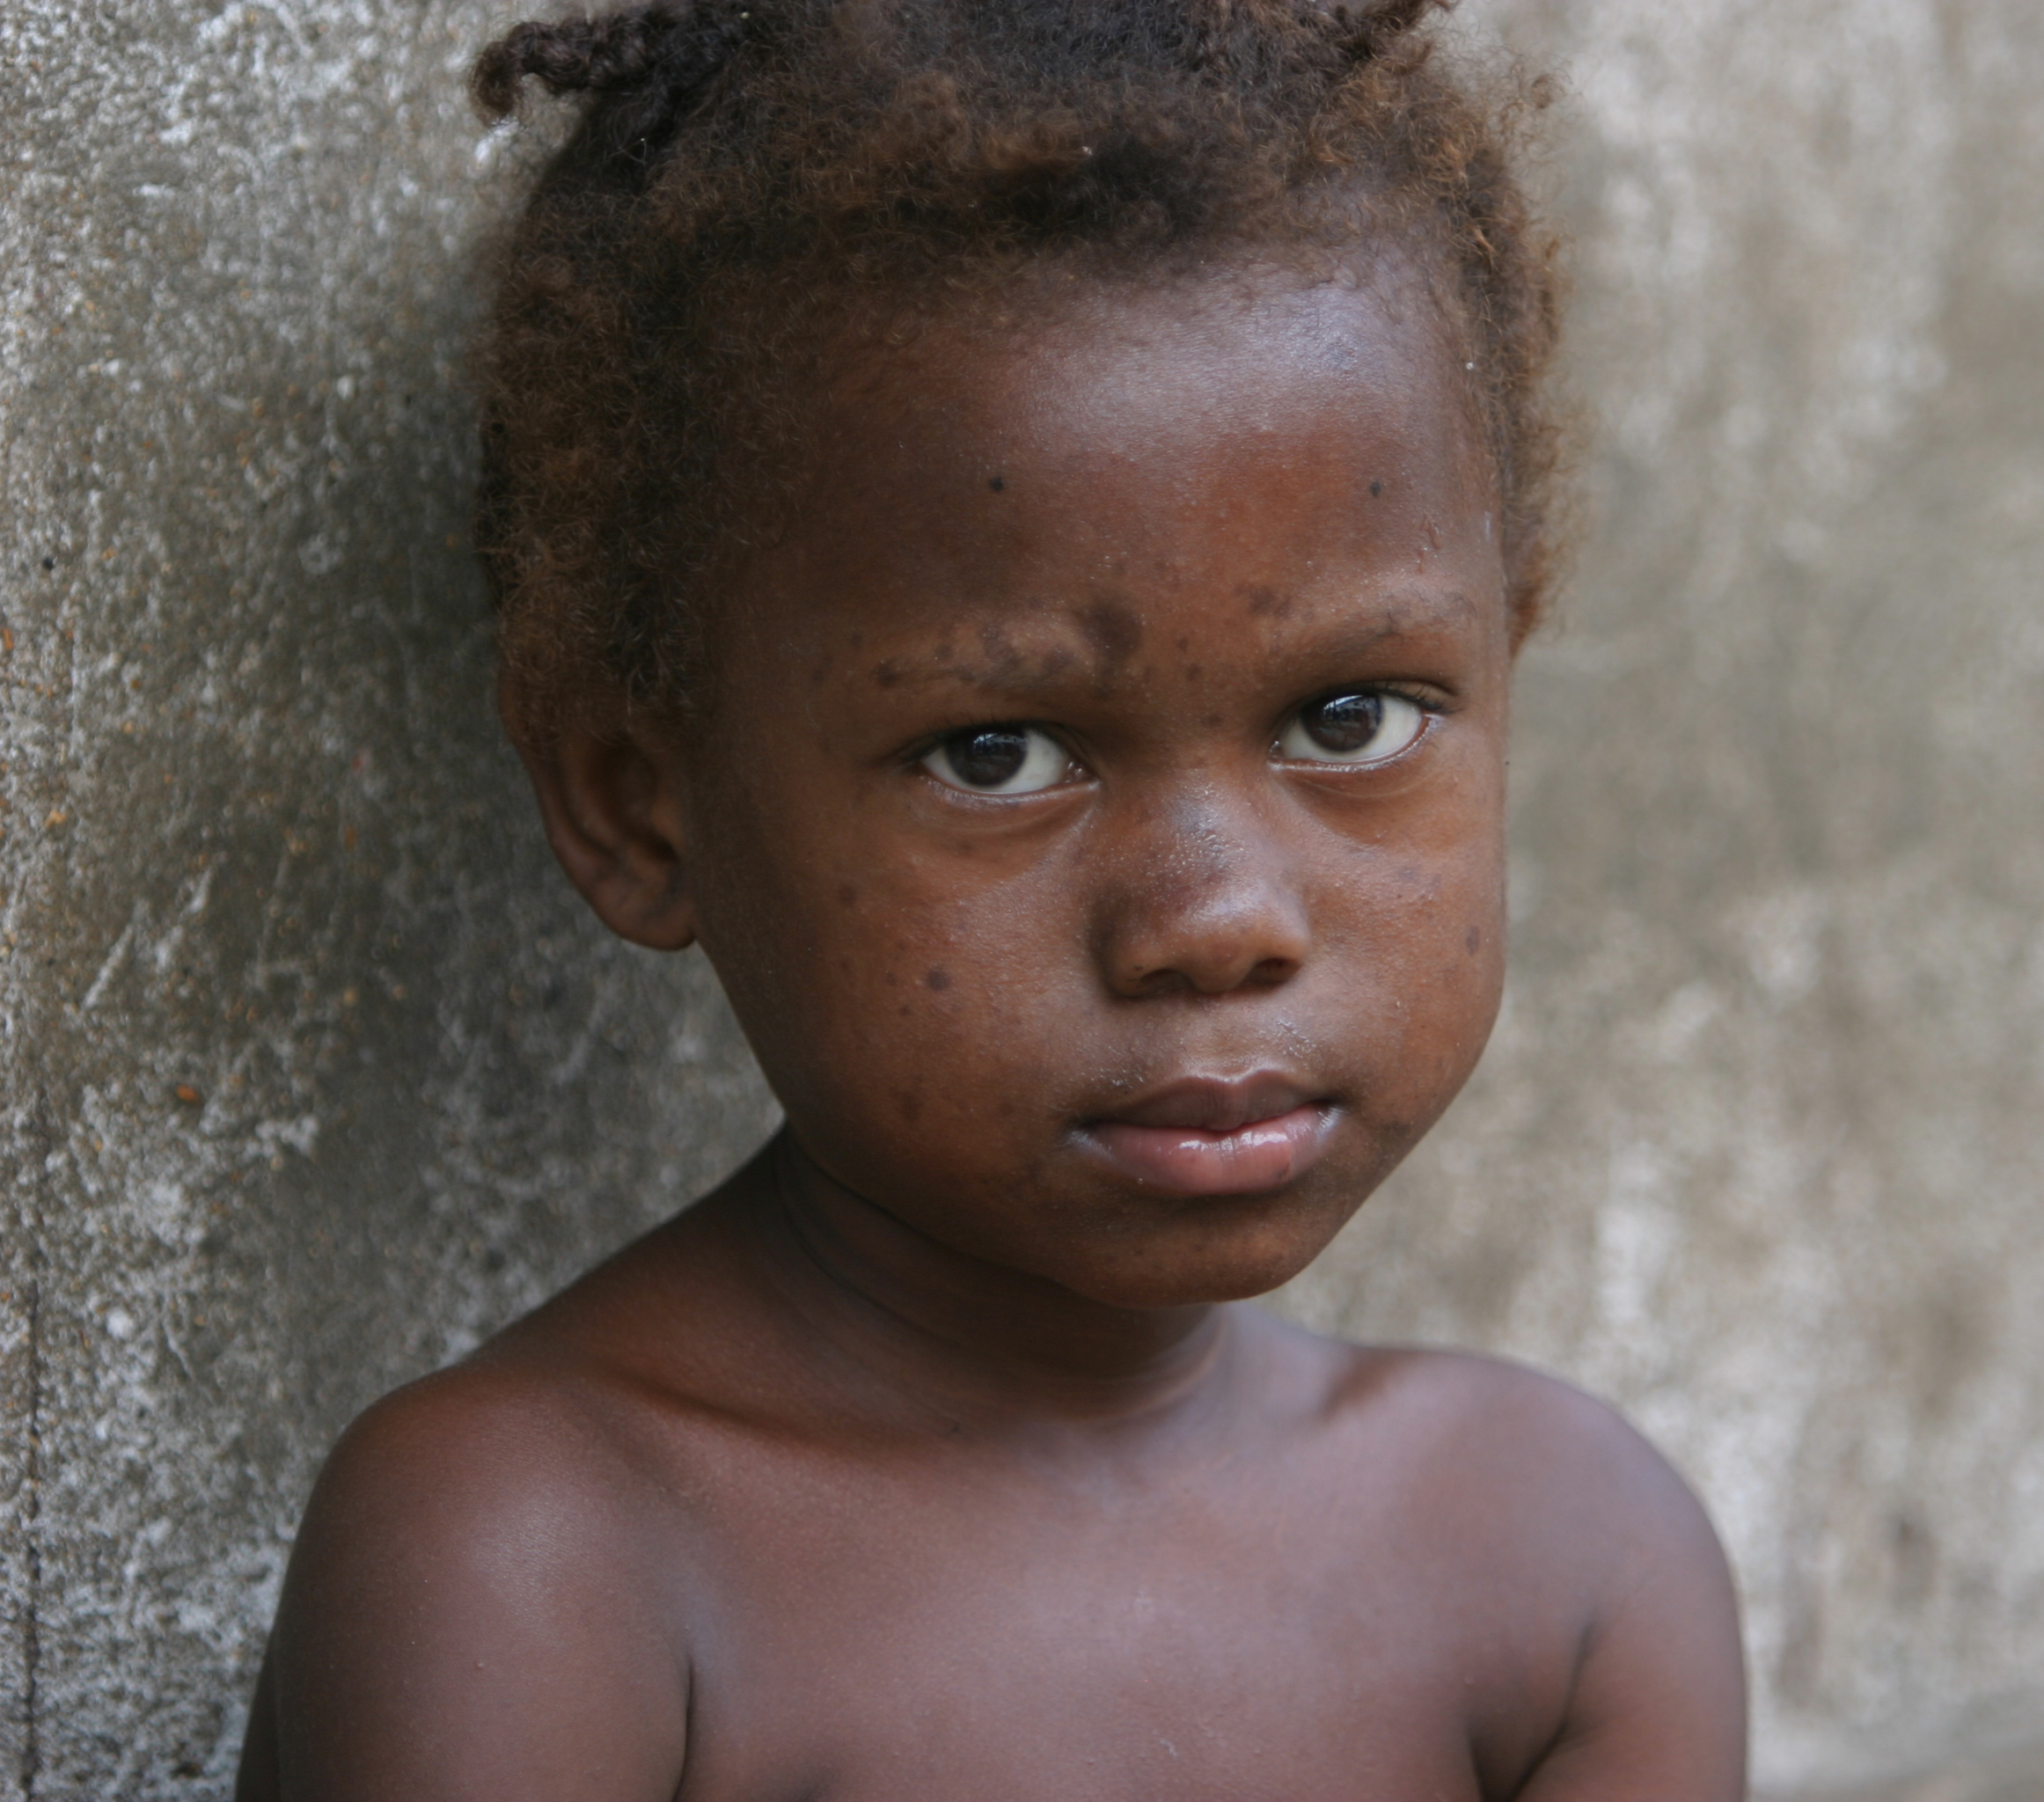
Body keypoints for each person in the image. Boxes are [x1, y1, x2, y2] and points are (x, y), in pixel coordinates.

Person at [234, 2, 1746, 1795]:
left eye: (1351, 718)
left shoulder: (1560, 1565)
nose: (1217, 919)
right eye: (998, 754)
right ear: (639, 805)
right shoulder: (548, 1563)